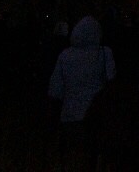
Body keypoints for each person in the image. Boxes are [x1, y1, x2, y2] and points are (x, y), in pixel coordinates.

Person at [47, 16, 117, 171]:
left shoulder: (65, 56)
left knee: (73, 159)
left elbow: (55, 90)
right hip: (96, 116)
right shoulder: (104, 53)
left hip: (70, 115)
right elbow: (112, 79)